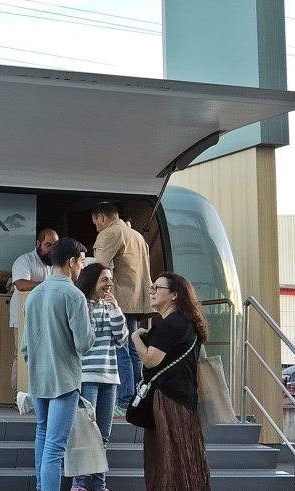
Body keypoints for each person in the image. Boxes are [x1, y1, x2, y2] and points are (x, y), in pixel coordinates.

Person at [21, 237, 95, 491]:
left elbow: (25, 347)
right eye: (82, 262)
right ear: (71, 261)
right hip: (64, 379)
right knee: (55, 446)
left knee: (42, 437)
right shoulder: (74, 295)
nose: (82, 268)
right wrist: (92, 322)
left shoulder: (34, 295)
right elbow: (84, 343)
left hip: (39, 378)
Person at [131, 273, 212, 490]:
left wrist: (135, 338)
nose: (152, 291)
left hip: (166, 400)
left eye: (158, 288)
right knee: (185, 458)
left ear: (174, 294)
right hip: (184, 399)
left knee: (165, 459)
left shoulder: (170, 324)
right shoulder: (189, 324)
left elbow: (150, 360)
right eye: (152, 288)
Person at [90, 202, 153, 412]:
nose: (96, 227)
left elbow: (100, 267)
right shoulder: (137, 235)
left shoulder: (110, 233)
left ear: (100, 217)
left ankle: (125, 401)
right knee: (134, 351)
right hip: (138, 300)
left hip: (117, 301)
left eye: (95, 222)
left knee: (120, 351)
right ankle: (136, 398)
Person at [70, 263, 127, 491]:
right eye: (105, 279)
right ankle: (78, 484)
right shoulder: (80, 304)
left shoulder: (111, 306)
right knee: (85, 432)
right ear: (93, 280)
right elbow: (85, 338)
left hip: (109, 378)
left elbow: (122, 339)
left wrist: (115, 309)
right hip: (86, 376)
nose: (109, 284)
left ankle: (99, 484)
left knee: (103, 435)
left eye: (110, 279)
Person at [10, 228, 59, 393]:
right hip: (23, 317)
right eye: (48, 245)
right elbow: (21, 284)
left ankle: (39, 393)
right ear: (38, 244)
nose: (52, 249)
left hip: (47, 317)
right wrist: (47, 286)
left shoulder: (56, 264)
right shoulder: (24, 260)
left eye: (55, 245)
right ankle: (20, 396)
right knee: (22, 356)